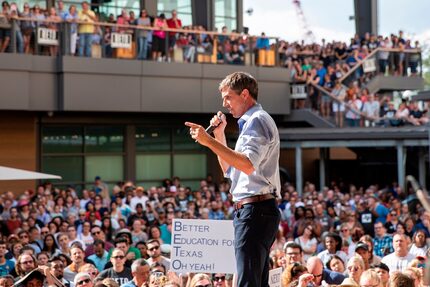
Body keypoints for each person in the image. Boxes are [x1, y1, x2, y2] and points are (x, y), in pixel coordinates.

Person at [185, 72, 281, 287]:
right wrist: (219, 136)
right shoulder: (251, 122)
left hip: (256, 210)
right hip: (254, 210)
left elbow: (247, 164)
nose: (224, 103)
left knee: (247, 282)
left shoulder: (257, 120)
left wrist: (209, 141)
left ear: (245, 94)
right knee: (255, 281)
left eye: (228, 97)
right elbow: (229, 169)